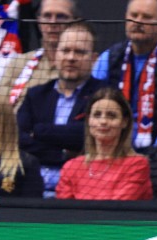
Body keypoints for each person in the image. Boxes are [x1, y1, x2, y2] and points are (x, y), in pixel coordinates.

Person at [17, 22, 107, 197]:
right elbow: (20, 139)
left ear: (94, 58)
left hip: (83, 183)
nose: (71, 57)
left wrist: (40, 131)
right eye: (65, 50)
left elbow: (87, 136)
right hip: (31, 181)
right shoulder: (36, 95)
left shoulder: (104, 96)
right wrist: (64, 154)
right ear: (56, 55)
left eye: (80, 52)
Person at [91, 0, 157, 151]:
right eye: (133, 15)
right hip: (111, 152)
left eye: (146, 17)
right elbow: (92, 106)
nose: (138, 21)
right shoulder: (109, 57)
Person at [56, 87, 153, 200]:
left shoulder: (137, 165)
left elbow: (118, 208)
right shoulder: (71, 167)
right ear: (88, 121)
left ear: (124, 122)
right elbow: (64, 211)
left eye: (111, 115)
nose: (103, 121)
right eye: (97, 115)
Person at [0, 0, 81, 109]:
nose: (53, 22)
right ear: (39, 21)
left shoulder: (84, 67)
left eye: (61, 16)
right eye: (47, 16)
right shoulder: (18, 64)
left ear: (75, 22)